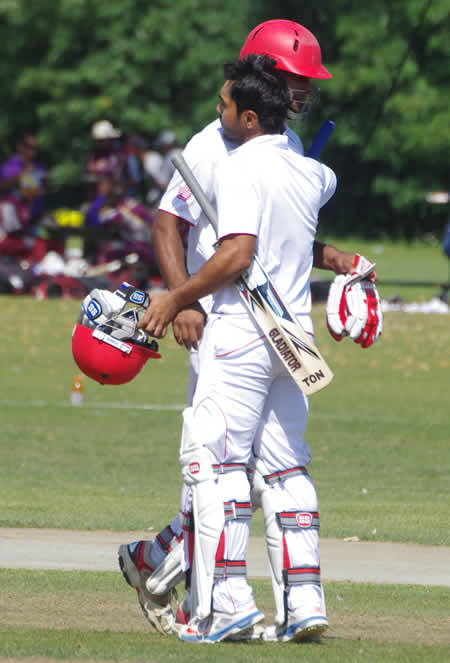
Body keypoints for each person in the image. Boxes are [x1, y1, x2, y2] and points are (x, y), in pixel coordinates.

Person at [118, 19, 369, 641]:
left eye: (306, 80)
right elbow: (167, 224)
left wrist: (326, 253)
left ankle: (192, 584)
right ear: (262, 77)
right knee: (266, 470)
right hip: (228, 318)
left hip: (246, 323)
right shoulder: (212, 145)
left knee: (220, 466)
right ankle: (254, 593)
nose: (303, 90)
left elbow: (259, 240)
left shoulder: (271, 145)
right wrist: (185, 304)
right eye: (294, 77)